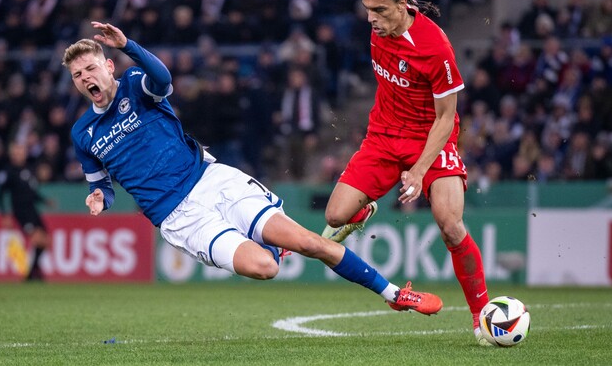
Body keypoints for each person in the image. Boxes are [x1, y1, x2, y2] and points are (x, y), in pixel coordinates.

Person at [62, 21, 443, 316]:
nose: (86, 79)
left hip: (210, 179)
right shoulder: (83, 132)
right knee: (265, 267)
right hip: (178, 216)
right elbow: (101, 183)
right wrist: (100, 197)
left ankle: (394, 294)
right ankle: (277, 247)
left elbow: (163, 78)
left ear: (108, 65)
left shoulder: (134, 85)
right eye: (78, 76)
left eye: (91, 68)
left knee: (310, 243)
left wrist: (128, 45)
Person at [320, 0, 491, 346]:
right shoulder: (387, 15)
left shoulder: (436, 48)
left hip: (431, 137)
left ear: (402, 6)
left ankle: (481, 313)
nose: (371, 20)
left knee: (449, 224)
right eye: (366, 10)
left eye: (378, 10)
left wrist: (417, 171)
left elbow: (447, 118)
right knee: (335, 215)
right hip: (382, 136)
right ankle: (364, 208)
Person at [0, 141, 52, 280]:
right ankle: (32, 272)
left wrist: (44, 200)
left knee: (46, 240)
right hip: (21, 212)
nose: (19, 155)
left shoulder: (28, 170)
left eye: (21, 152)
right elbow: (0, 194)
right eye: (16, 152)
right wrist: (4, 215)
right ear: (12, 155)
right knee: (38, 239)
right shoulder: (9, 172)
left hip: (32, 209)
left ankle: (32, 271)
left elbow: (31, 192)